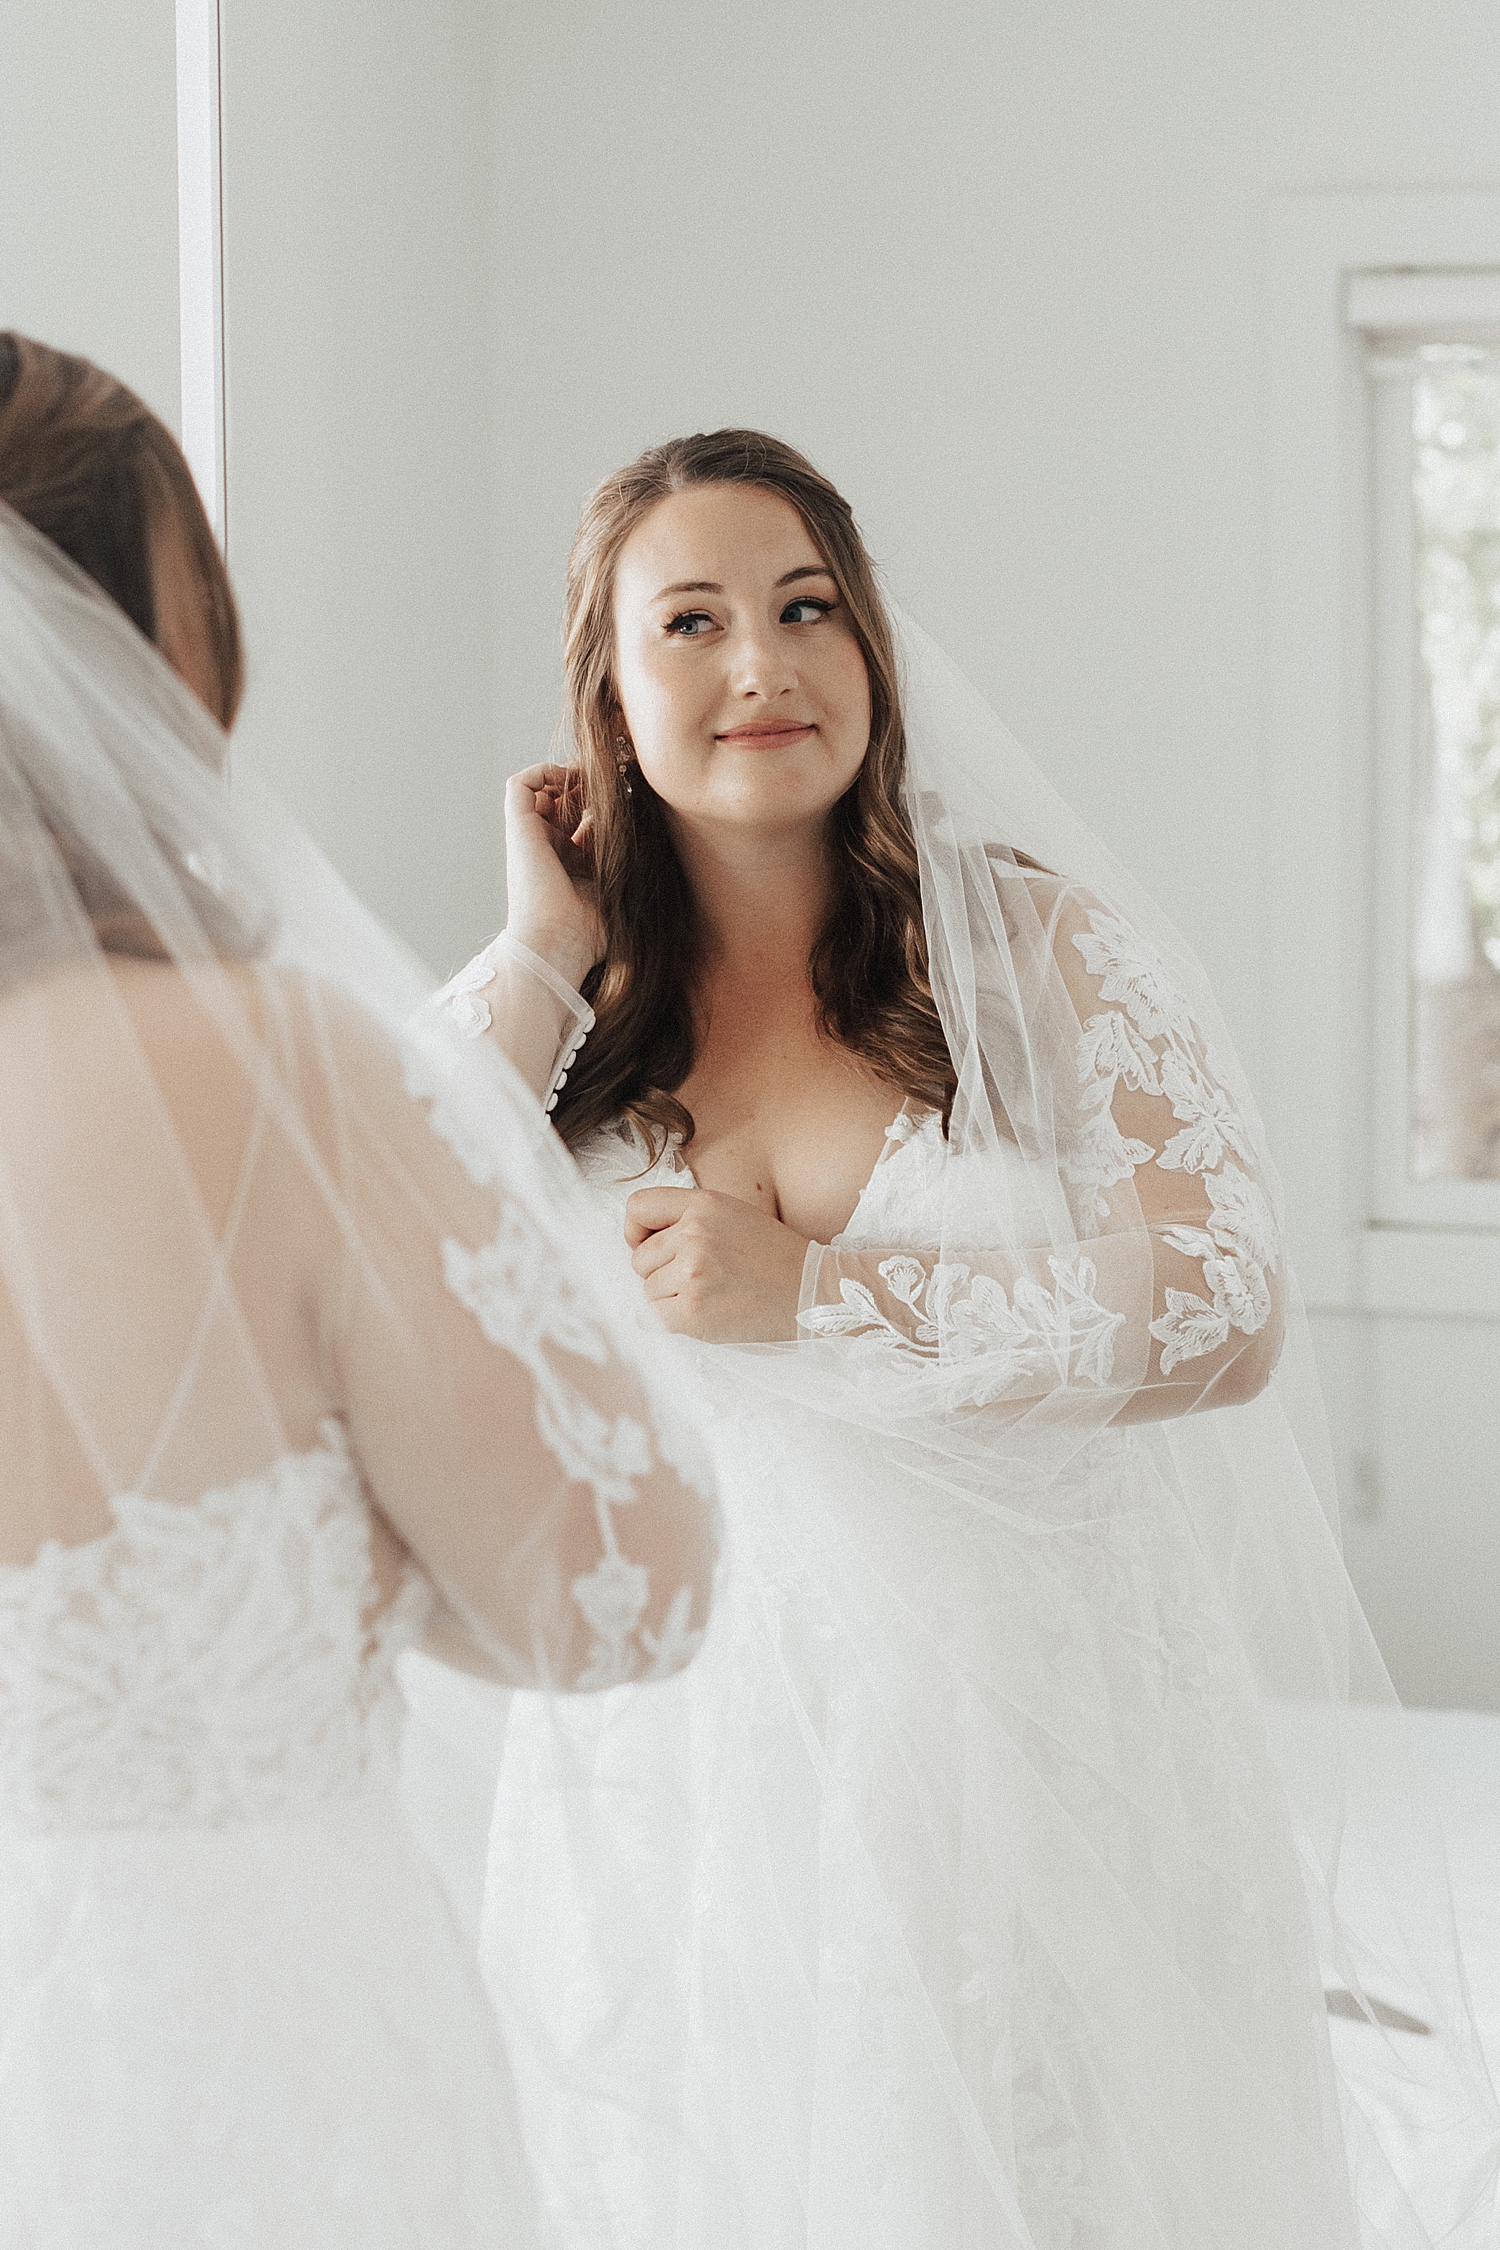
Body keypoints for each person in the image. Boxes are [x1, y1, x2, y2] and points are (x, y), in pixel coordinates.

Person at [439, 429, 1499, 2248]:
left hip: (1030, 1742)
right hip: (691, 1785)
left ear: (874, 651)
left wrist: (824, 1298)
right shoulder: (564, 1009)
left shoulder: (1028, 951)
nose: (762, 662)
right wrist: (543, 939)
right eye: (688, 622)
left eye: (806, 608)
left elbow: (1227, 1301)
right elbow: (383, 1226)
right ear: (610, 694)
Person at [0, 334, 718, 2250]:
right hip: (249, 2068)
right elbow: (627, 1589)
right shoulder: (279, 1070)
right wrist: (360, 1547)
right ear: (154, 656)